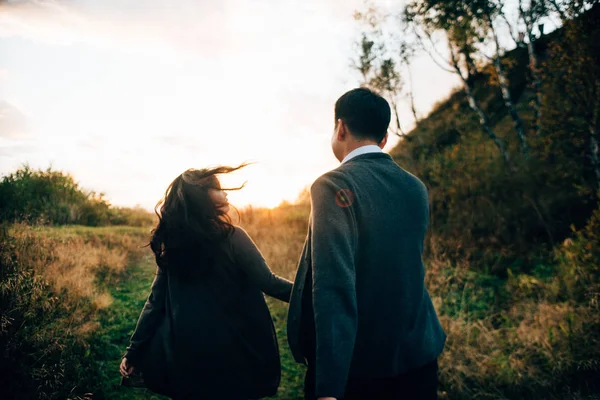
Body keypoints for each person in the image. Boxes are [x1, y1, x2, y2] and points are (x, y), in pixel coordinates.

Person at [287, 88, 447, 400]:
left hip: (361, 370)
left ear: (340, 128)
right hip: (418, 358)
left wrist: (329, 387)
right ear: (385, 137)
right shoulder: (416, 187)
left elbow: (334, 288)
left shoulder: (331, 185)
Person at [119, 166, 292, 400]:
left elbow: (154, 303)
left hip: (186, 357)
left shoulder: (174, 245)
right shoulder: (232, 236)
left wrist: (134, 351)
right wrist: (317, 294)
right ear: (202, 195)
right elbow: (269, 282)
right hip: (233, 353)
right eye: (218, 189)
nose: (226, 194)